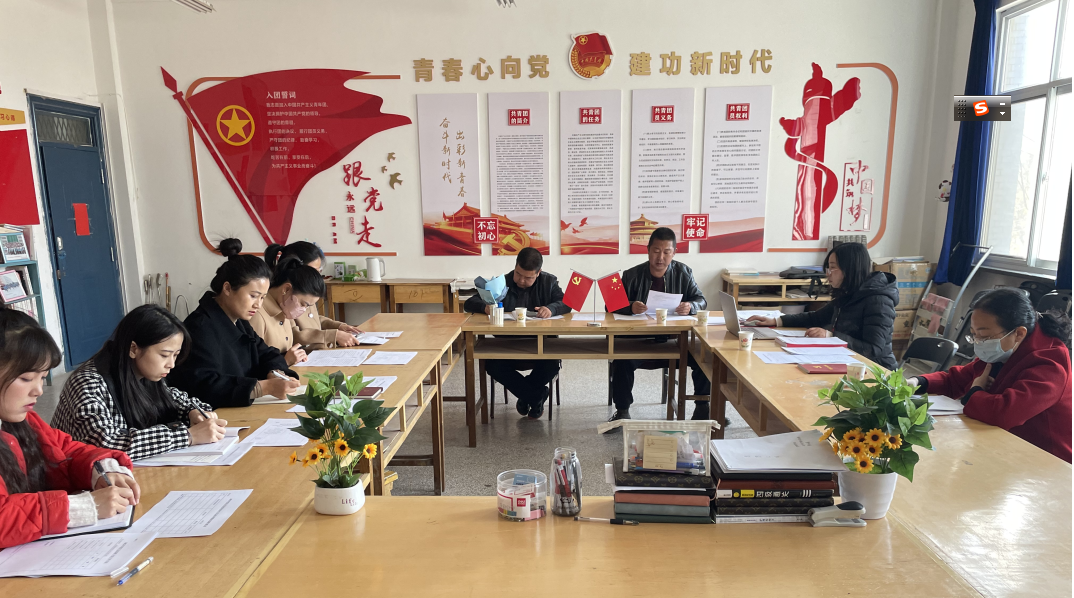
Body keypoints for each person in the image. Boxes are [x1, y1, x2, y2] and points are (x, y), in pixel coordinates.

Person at [0, 310, 140, 548]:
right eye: (26, 378)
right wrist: (82, 508)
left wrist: (102, 470)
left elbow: (65, 451)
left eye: (42, 377)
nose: (38, 390)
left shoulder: (24, 421)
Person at [908, 289, 1072, 462]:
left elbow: (1004, 413)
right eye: (974, 334)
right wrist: (917, 382)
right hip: (1005, 445)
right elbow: (957, 379)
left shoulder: (1050, 364)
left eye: (984, 336)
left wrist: (975, 392)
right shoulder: (1004, 349)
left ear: (1019, 333)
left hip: (1047, 459)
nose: (979, 342)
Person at [53, 305, 228, 461]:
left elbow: (176, 399)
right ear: (133, 349)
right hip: (73, 479)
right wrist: (187, 436)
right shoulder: (88, 383)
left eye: (175, 355)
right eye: (164, 355)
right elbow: (106, 444)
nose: (171, 364)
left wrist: (193, 412)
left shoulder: (145, 373)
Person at [169, 239, 301, 408]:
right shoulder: (199, 328)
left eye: (262, 297)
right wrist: (262, 388)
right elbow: (205, 385)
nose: (258, 305)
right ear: (227, 288)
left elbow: (267, 353)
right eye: (253, 296)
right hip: (212, 416)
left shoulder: (239, 321)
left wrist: (275, 373)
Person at [608, 228, 710, 425]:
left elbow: (701, 300)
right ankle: (622, 411)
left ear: (674, 253)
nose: (660, 257)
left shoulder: (684, 273)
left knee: (704, 357)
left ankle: (702, 407)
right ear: (648, 250)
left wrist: (691, 306)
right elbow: (610, 305)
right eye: (656, 251)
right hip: (639, 341)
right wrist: (630, 307)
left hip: (675, 341)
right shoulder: (631, 275)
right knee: (621, 360)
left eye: (666, 252)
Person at [747, 242, 898, 369]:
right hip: (846, 361)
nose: (828, 273)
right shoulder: (849, 292)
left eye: (833, 268)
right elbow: (816, 318)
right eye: (827, 268)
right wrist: (777, 321)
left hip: (876, 371)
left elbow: (873, 349)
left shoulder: (879, 300)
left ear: (850, 268)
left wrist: (831, 336)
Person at [464, 247, 569, 419]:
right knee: (493, 365)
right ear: (515, 266)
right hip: (506, 344)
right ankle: (537, 396)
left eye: (528, 277)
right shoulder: (502, 282)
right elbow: (469, 302)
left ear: (538, 273)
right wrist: (485, 307)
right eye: (518, 274)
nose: (521, 280)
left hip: (540, 344)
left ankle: (527, 396)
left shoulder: (549, 282)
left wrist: (551, 309)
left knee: (551, 364)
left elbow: (566, 303)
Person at [264, 241, 361, 350]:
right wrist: (332, 335)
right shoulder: (287, 300)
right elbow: (295, 335)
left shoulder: (304, 292)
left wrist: (338, 326)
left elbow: (313, 319)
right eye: (313, 271)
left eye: (318, 271)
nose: (316, 276)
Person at [250, 256, 327, 365]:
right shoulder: (256, 314)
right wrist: (285, 361)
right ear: (286, 289)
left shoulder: (283, 309)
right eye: (303, 304)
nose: (303, 310)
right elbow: (252, 365)